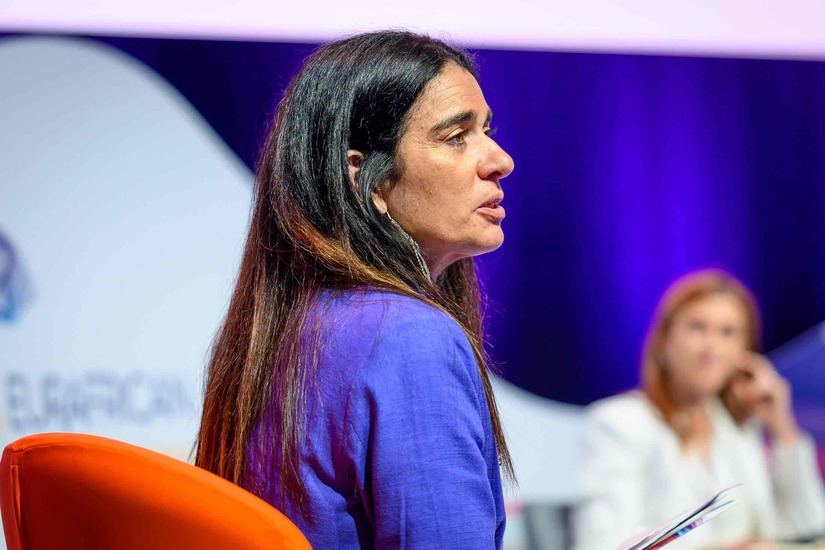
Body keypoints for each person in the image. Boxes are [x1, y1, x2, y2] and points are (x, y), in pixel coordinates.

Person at [195, 31, 516, 548]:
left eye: (486, 130)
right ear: (366, 176)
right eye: (457, 136)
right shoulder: (409, 339)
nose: (500, 160)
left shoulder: (278, 332)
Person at [572, 269, 825, 549]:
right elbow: (602, 544)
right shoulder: (620, 422)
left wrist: (781, 427)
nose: (712, 347)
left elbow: (808, 526)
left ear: (744, 351)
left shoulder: (735, 429)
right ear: (665, 341)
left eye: (728, 332)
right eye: (698, 328)